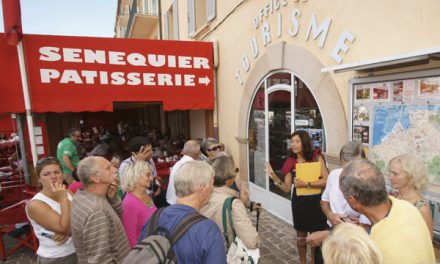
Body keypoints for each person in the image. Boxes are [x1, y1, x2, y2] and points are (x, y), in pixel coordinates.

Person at [340, 159, 435, 264]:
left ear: (353, 201)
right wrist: (365, 227)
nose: (390, 177)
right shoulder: (406, 206)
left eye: (395, 174)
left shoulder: (378, 251)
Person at [141, 160, 226, 263]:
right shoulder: (208, 230)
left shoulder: (155, 217)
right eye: (212, 185)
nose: (213, 190)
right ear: (203, 189)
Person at [266, 130, 328, 264]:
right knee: (301, 236)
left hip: (316, 202)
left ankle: (313, 262)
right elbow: (287, 188)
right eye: (292, 141)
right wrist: (274, 177)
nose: (293, 144)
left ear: (304, 143)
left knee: (314, 238)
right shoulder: (290, 161)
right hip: (299, 202)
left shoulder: (317, 157)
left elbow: (326, 180)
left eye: (297, 141)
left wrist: (307, 184)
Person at [71, 156, 130, 263]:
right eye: (108, 168)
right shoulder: (96, 210)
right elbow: (100, 260)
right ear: (95, 178)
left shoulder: (83, 195)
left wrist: (112, 198)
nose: (115, 170)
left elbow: (114, 222)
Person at [200, 154, 260, 249]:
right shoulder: (234, 204)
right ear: (230, 178)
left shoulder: (201, 195)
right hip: (222, 254)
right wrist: (242, 202)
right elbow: (252, 241)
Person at [26, 157, 77, 263]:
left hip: (78, 250)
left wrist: (69, 230)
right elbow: (64, 228)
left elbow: (83, 216)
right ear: (39, 179)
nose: (53, 177)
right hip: (56, 257)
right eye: (46, 174)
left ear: (62, 174)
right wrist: (63, 199)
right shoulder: (36, 204)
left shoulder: (68, 192)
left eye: (57, 172)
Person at [320, 141, 370, 227]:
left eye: (355, 167)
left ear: (364, 162)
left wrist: (359, 225)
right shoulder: (333, 175)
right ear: (341, 163)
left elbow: (372, 218)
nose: (350, 172)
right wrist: (330, 215)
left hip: (355, 232)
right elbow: (324, 201)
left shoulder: (370, 184)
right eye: (346, 168)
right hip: (332, 227)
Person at [388, 153, 433, 237]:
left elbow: (427, 242)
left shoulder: (422, 209)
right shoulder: (395, 197)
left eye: (395, 174)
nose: (390, 177)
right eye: (390, 172)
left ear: (411, 176)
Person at [119, 136, 167, 207]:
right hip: (139, 202)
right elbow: (127, 189)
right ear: (134, 154)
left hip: (154, 196)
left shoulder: (149, 160)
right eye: (147, 151)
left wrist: (157, 188)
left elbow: (154, 176)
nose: (151, 153)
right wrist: (139, 162)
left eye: (151, 149)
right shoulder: (125, 166)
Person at [121, 160, 157, 248]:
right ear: (136, 176)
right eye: (148, 175)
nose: (151, 178)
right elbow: (130, 240)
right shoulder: (129, 204)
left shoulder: (146, 194)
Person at [166, 139, 201, 205]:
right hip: (179, 203)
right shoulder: (191, 165)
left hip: (171, 200)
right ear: (197, 153)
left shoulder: (180, 162)